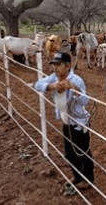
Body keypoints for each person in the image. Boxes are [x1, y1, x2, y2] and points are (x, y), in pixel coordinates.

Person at [34, 51, 94, 193]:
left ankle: (89, 178)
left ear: (68, 66)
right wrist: (52, 86)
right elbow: (38, 85)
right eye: (54, 64)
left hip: (80, 122)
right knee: (69, 153)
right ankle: (77, 176)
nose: (55, 68)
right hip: (66, 121)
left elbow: (85, 101)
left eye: (59, 65)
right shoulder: (54, 77)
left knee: (82, 152)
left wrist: (75, 89)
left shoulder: (77, 80)